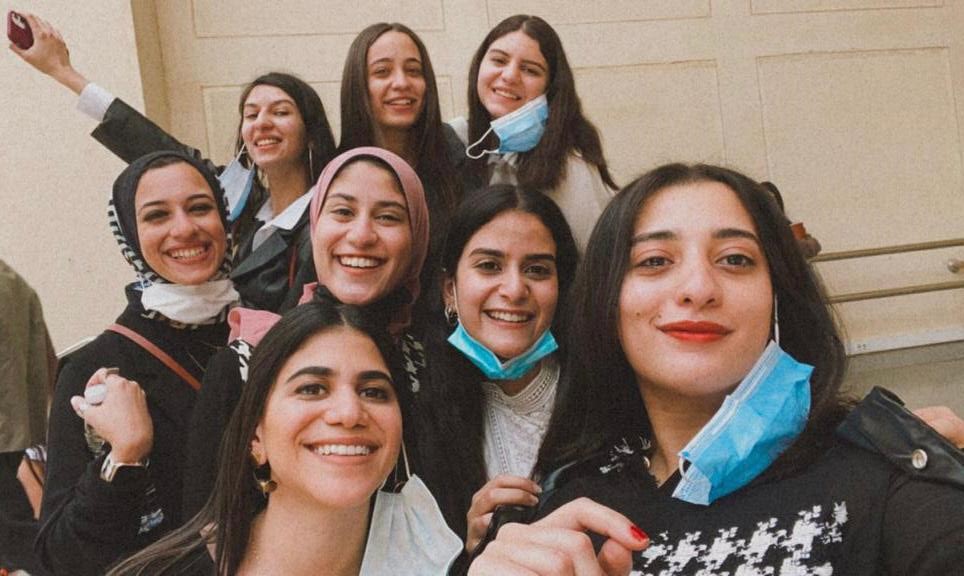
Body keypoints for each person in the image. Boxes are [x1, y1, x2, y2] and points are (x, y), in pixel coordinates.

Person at [472, 163, 964, 574]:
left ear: (778, 298)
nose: (697, 289)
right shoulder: (570, 511)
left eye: (734, 259)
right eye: (654, 261)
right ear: (608, 302)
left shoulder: (881, 476)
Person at [9, 13, 337, 313]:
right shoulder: (243, 203)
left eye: (280, 112)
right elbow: (156, 147)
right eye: (251, 115)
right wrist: (63, 72)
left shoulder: (327, 223)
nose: (262, 123)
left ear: (310, 131)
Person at [106, 300, 461, 575]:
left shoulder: (444, 562)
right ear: (254, 437)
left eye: (373, 392)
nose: (349, 413)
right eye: (312, 388)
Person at [182, 146, 430, 518]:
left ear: (417, 238)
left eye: (388, 217)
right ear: (315, 227)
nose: (362, 235)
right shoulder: (250, 364)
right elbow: (206, 529)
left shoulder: (428, 365)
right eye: (343, 212)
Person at [36, 151, 236, 576]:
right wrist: (124, 456)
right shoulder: (98, 367)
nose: (184, 228)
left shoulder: (266, 331)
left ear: (225, 218)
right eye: (157, 216)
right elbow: (63, 558)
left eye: (200, 208)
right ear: (130, 233)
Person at [415, 185, 578, 555]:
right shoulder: (419, 416)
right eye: (489, 266)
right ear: (449, 290)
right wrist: (470, 550)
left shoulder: (606, 399)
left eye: (537, 270)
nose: (514, 289)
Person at [451, 14, 617, 248]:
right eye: (499, 61)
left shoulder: (571, 170)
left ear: (550, 88)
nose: (509, 76)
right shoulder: (455, 141)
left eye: (530, 70)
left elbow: (594, 261)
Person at [337, 22, 463, 326]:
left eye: (414, 71)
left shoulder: (454, 158)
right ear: (358, 85)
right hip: (361, 333)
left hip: (446, 335)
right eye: (382, 72)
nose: (402, 83)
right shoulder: (337, 172)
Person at [0, 260, 56, 575]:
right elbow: (48, 366)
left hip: (7, 431)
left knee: (15, 538)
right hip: (18, 428)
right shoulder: (13, 282)